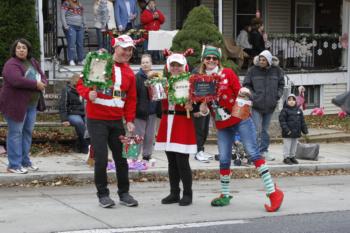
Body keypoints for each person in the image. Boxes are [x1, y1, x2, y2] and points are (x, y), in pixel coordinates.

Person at [198, 45, 284, 211]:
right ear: (203, 60)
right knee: (223, 158)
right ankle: (225, 194)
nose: (211, 61)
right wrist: (202, 108)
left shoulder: (227, 73)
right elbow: (205, 106)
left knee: (253, 153)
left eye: (214, 58)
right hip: (222, 125)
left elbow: (239, 91)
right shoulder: (200, 80)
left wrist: (245, 92)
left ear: (218, 60)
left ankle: (273, 193)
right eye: (208, 58)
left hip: (240, 118)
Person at [76, 34, 138, 208]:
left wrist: (130, 119)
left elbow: (131, 98)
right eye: (125, 48)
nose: (128, 52)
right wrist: (88, 94)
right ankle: (103, 194)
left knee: (121, 158)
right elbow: (80, 84)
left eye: (130, 49)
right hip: (97, 120)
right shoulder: (99, 62)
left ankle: (124, 193)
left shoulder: (129, 73)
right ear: (116, 47)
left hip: (117, 121)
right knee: (101, 158)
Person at [154, 50, 196, 206]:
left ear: (184, 66)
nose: (175, 68)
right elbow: (156, 99)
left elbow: (198, 103)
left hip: (181, 122)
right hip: (167, 122)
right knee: (171, 161)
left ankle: (188, 193)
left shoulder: (190, 82)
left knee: (182, 161)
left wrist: (192, 105)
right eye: (173, 65)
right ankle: (174, 192)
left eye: (178, 65)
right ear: (168, 66)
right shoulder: (163, 82)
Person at [0, 38, 47, 174]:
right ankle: (14, 165)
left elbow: (42, 76)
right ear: (14, 50)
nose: (21, 50)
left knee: (27, 133)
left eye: (24, 48)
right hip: (15, 105)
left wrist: (43, 82)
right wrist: (35, 84)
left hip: (31, 105)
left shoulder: (32, 62)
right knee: (15, 134)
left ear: (28, 50)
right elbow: (16, 81)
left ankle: (25, 162)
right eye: (19, 48)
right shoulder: (11, 64)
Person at [243, 50, 285, 161]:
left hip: (270, 106)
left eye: (264, 60)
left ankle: (264, 151)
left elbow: (281, 84)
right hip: (256, 105)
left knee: (265, 130)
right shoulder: (252, 70)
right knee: (256, 129)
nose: (261, 61)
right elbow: (246, 84)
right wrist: (253, 96)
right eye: (260, 59)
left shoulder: (277, 71)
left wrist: (277, 95)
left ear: (269, 61)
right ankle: (254, 153)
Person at [135, 54, 161, 161]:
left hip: (152, 111)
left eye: (147, 62)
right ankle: (132, 156)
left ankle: (147, 155)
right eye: (143, 62)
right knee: (137, 136)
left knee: (150, 136)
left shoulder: (157, 77)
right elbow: (134, 95)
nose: (145, 64)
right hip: (140, 111)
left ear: (151, 64)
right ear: (140, 64)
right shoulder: (137, 77)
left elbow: (160, 93)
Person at [59, 74, 89, 154]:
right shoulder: (66, 89)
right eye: (76, 81)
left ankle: (81, 144)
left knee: (89, 122)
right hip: (72, 113)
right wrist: (64, 119)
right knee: (79, 122)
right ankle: (85, 146)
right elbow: (63, 105)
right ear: (72, 81)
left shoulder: (84, 89)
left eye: (79, 81)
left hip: (84, 113)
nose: (77, 82)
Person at [279, 94, 308, 165]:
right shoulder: (284, 111)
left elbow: (302, 121)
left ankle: (292, 157)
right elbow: (282, 122)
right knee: (287, 146)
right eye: (289, 100)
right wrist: (287, 130)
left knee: (294, 146)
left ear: (296, 101)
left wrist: (304, 130)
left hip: (296, 132)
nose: (291, 101)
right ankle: (286, 158)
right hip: (288, 133)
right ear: (286, 101)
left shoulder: (299, 110)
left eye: (293, 100)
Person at [60, 0, 86, 66]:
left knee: (80, 44)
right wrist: (65, 25)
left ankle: (80, 60)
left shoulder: (80, 4)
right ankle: (71, 59)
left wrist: (84, 24)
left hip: (80, 27)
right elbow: (62, 14)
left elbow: (83, 15)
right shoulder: (66, 3)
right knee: (71, 43)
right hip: (71, 26)